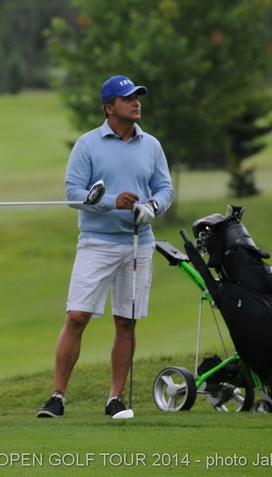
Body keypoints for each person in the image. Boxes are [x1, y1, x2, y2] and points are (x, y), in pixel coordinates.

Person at [36, 75, 173, 419]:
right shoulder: (87, 144)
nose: (136, 103)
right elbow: (73, 194)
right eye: (128, 98)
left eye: (137, 97)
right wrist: (113, 201)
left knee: (126, 322)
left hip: (138, 244)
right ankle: (57, 396)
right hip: (97, 242)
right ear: (110, 107)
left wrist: (152, 206)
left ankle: (115, 399)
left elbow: (165, 188)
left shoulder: (151, 145)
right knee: (77, 316)